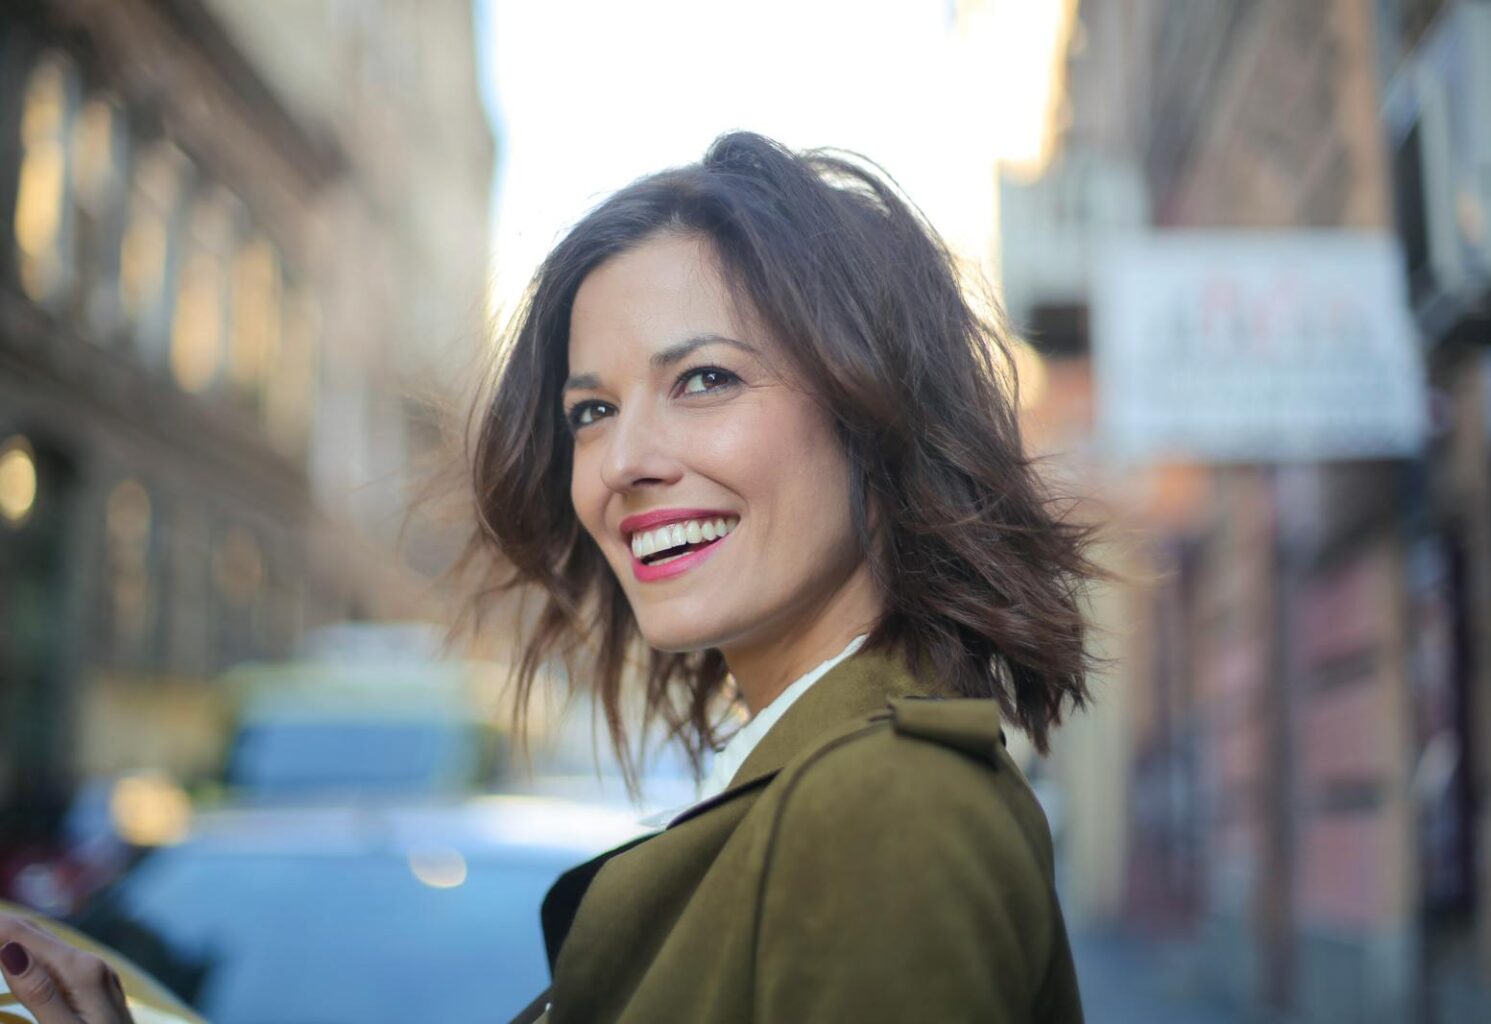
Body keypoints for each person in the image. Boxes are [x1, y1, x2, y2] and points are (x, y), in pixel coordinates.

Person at [0, 131, 1094, 1023]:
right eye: (592, 411)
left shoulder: (888, 808)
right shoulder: (807, 783)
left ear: (874, 409)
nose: (624, 462)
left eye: (704, 378)